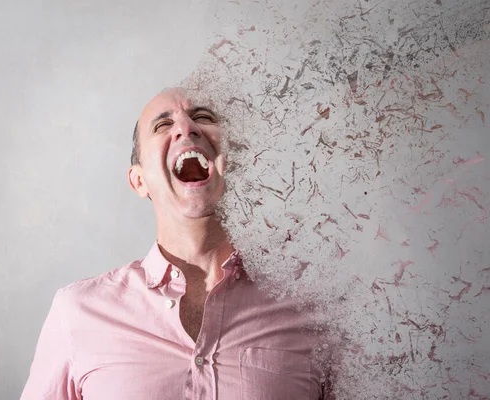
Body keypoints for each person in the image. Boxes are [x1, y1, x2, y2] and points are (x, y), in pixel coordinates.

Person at [20, 88, 328, 399]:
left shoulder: (317, 310)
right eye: (162, 125)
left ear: (237, 162)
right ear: (139, 181)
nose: (186, 128)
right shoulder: (77, 312)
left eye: (203, 118)